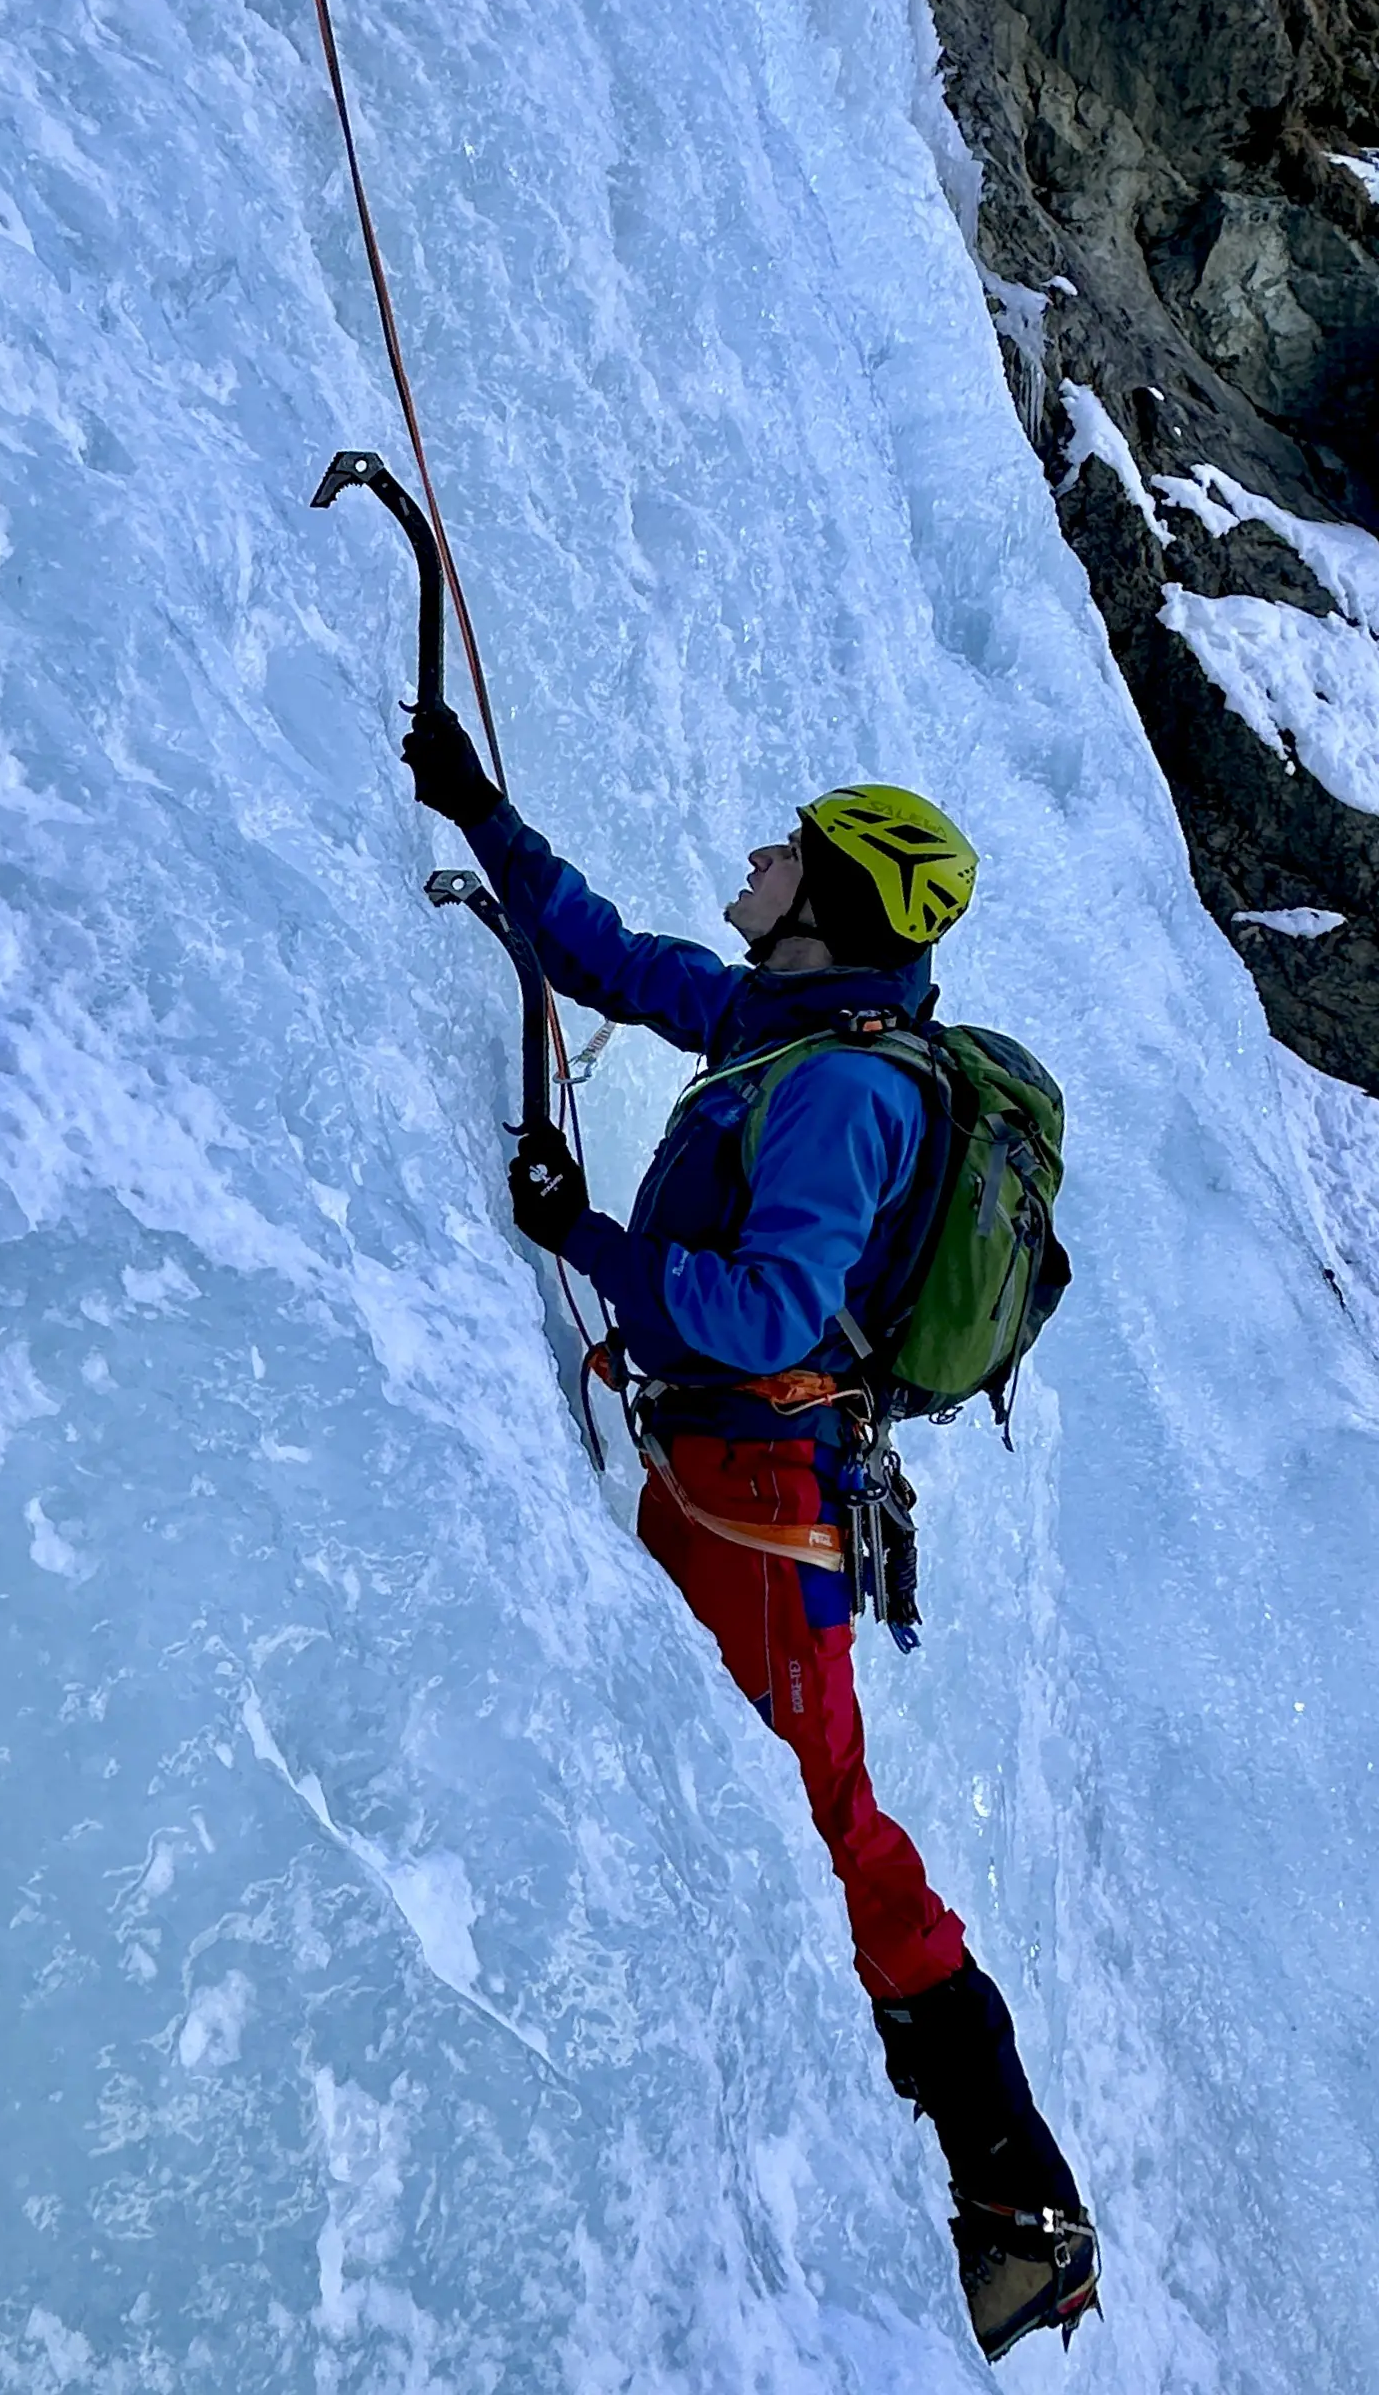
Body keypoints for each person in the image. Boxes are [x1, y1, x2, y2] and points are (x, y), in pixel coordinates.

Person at [403, 701, 1098, 2364]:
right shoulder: (785, 1023)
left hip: (761, 1505)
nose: (754, 858)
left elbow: (768, 1305)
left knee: (832, 1828)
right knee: (790, 1808)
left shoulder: (848, 1087)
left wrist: (594, 1243)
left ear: (835, 900)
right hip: (728, 1486)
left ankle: (1019, 2200)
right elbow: (622, 964)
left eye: (785, 848)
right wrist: (478, 811)